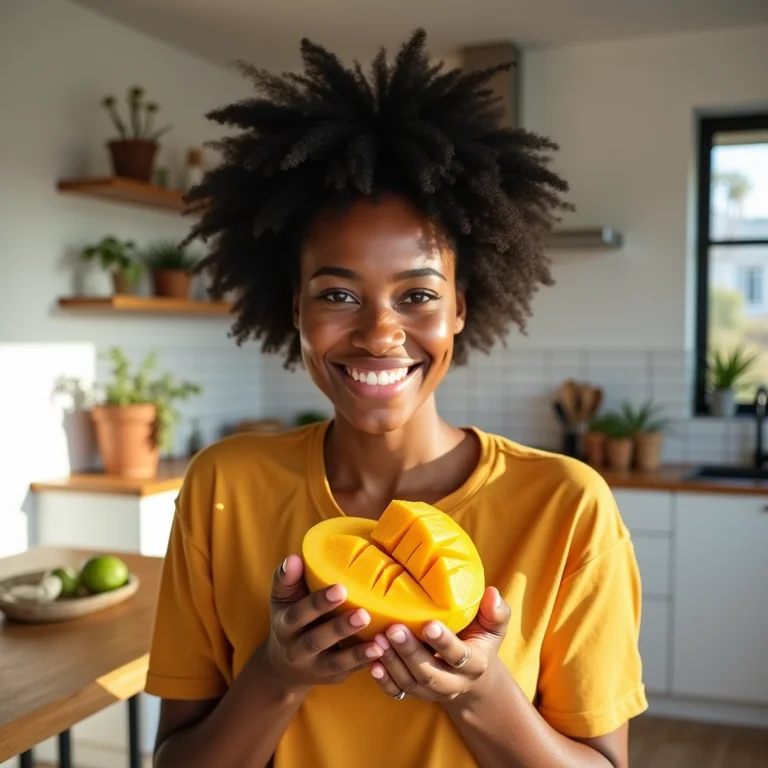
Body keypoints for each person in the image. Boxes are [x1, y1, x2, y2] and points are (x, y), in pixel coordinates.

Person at [144, 28, 647, 768]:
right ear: (293, 310)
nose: (381, 333)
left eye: (417, 294)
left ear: (462, 311)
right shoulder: (225, 487)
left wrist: (480, 695)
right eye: (339, 293)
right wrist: (277, 675)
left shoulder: (568, 507)